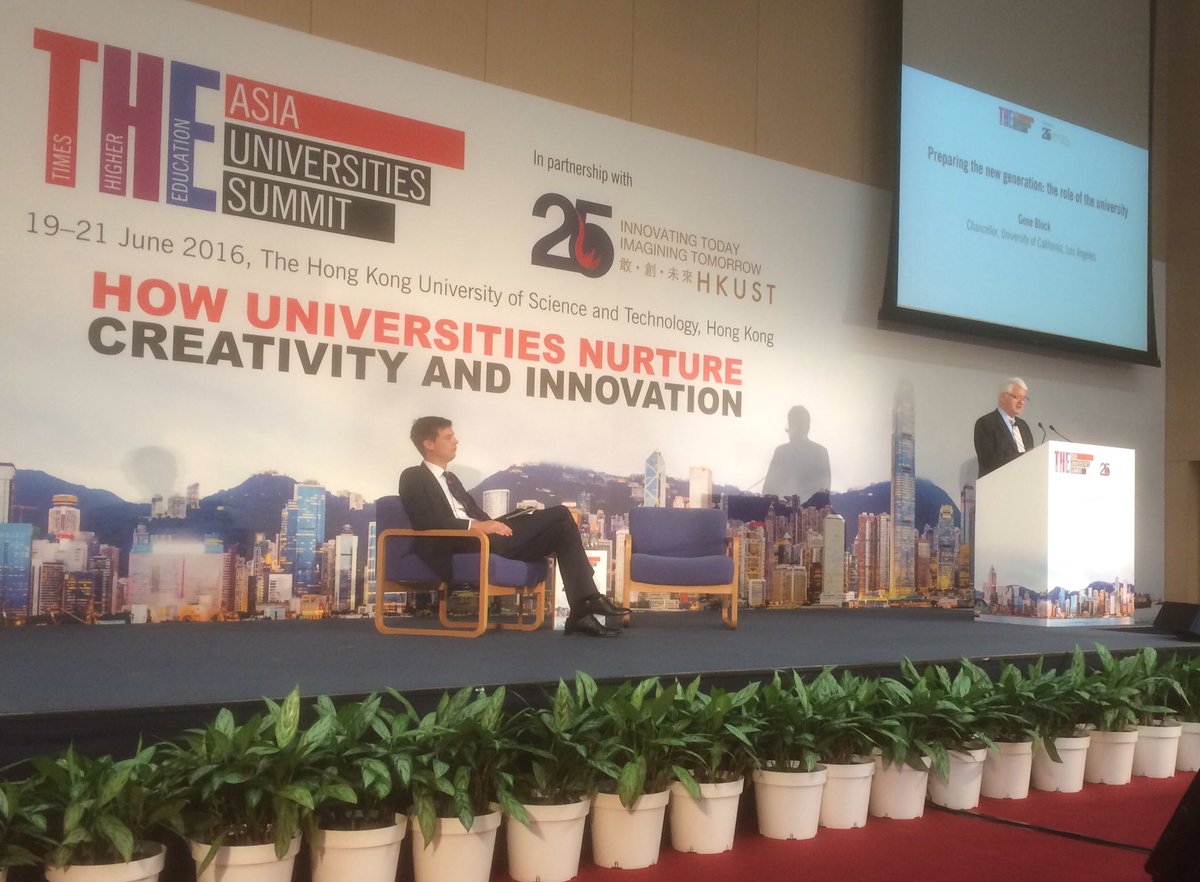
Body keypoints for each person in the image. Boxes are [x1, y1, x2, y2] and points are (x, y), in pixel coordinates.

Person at [398, 416, 630, 637]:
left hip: (483, 537)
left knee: (562, 529)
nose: (456, 441)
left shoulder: (451, 479)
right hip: (459, 542)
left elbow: (476, 513)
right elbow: (426, 521)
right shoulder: (413, 476)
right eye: (448, 437)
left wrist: (497, 523)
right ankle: (589, 599)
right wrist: (478, 526)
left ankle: (581, 612)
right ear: (428, 444)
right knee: (560, 513)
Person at [763, 405, 831, 501]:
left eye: (796, 425)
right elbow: (767, 490)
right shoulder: (821, 452)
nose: (793, 430)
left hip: (807, 510)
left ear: (806, 428)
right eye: (792, 424)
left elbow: (824, 492)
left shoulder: (781, 452)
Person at [974, 377, 1035, 478]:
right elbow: (989, 461)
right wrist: (1022, 458)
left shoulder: (1023, 426)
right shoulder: (985, 423)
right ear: (1002, 398)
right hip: (996, 482)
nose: (1021, 402)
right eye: (1017, 397)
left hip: (1025, 481)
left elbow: (1032, 457)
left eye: (1024, 398)